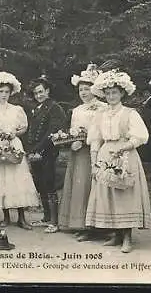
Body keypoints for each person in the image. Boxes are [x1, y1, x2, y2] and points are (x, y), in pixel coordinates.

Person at [86, 68, 151, 253]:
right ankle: (115, 234)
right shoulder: (100, 114)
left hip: (125, 154)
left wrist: (124, 147)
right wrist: (94, 163)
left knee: (124, 194)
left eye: (114, 92)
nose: (111, 96)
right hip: (106, 153)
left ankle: (127, 237)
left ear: (121, 93)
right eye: (107, 93)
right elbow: (95, 139)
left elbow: (140, 136)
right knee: (107, 194)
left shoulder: (130, 113)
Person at [57, 64, 107, 240]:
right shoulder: (77, 110)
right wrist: (71, 143)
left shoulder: (102, 107)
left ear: (95, 90)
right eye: (81, 89)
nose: (83, 93)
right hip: (77, 152)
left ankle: (96, 225)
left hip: (95, 151)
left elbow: (102, 131)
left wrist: (85, 142)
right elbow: (74, 130)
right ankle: (80, 224)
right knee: (78, 186)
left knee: (90, 185)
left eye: (87, 89)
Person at [0, 71, 40, 230]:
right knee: (1, 180)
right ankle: (6, 217)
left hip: (14, 143)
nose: (4, 95)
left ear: (11, 93)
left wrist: (14, 133)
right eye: (1, 92)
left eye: (6, 92)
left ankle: (22, 217)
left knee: (18, 179)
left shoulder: (17, 110)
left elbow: (24, 128)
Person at [25, 76, 66, 233]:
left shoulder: (54, 107)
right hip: (36, 151)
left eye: (41, 92)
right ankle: (46, 217)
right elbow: (31, 132)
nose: (39, 95)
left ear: (47, 91)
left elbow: (53, 131)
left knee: (50, 184)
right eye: (36, 93)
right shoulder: (37, 108)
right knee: (40, 183)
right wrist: (31, 150)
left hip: (48, 151)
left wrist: (39, 149)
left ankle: (55, 222)